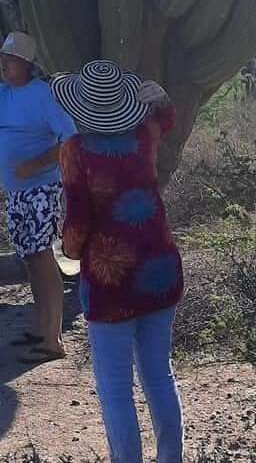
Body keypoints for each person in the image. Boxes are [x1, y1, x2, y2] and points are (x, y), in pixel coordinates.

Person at [51, 61, 184, 463]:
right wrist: (160, 98)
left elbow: (76, 222)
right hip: (160, 269)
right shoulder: (144, 137)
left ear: (82, 107)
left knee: (114, 387)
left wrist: (69, 253)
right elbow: (166, 120)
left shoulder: (77, 150)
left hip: (111, 284)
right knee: (159, 374)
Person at [0, 32, 76, 364]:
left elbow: (71, 139)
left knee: (42, 257)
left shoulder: (44, 95)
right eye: (1, 59)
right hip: (18, 192)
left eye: (7, 59)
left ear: (25, 64)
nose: (2, 64)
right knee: (30, 259)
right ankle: (41, 328)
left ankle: (53, 339)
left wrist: (35, 164)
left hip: (41, 189)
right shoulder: (1, 94)